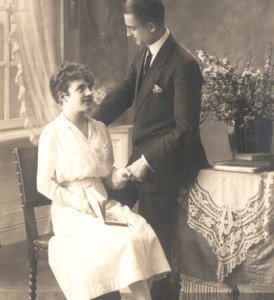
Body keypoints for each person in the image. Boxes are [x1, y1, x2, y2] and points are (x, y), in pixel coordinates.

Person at [92, 0, 209, 299]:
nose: (128, 33)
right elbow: (122, 94)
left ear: (152, 26)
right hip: (141, 161)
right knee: (101, 218)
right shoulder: (144, 53)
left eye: (131, 28)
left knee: (159, 254)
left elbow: (185, 130)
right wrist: (89, 123)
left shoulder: (184, 65)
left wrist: (147, 161)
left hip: (167, 167)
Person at [37, 62, 171, 300]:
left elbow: (107, 176)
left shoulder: (99, 128)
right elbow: (44, 184)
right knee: (121, 241)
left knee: (141, 232)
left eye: (89, 87)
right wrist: (80, 204)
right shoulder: (53, 133)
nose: (89, 93)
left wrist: (119, 175)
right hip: (72, 212)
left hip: (102, 204)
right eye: (81, 88)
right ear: (63, 96)